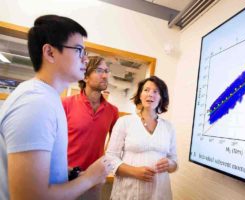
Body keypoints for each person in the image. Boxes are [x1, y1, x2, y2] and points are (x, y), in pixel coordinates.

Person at [0, 15, 111, 200]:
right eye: (79, 50)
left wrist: (67, 173)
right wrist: (91, 178)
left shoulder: (48, 98)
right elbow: (29, 197)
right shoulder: (36, 103)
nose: (85, 59)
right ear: (50, 52)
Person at [106, 76, 178, 200]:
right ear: (140, 95)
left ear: (161, 98)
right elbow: (110, 158)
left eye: (156, 91)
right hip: (128, 193)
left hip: (159, 193)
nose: (150, 94)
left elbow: (174, 163)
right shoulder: (124, 122)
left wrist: (170, 164)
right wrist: (135, 171)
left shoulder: (168, 127)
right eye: (146, 90)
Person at [62, 56, 118, 199]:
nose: (105, 75)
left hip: (94, 181)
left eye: (107, 71)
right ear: (85, 77)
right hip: (64, 177)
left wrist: (106, 165)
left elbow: (115, 146)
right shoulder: (66, 104)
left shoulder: (112, 111)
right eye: (99, 70)